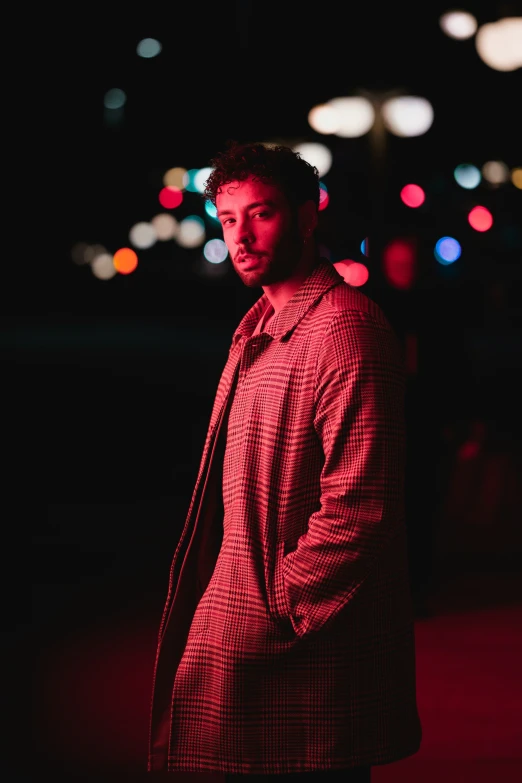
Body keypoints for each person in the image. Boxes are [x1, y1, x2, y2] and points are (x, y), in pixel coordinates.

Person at [147, 140, 422, 780]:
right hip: (262, 635)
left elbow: (361, 505)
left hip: (302, 650)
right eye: (228, 219)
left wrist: (278, 612)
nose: (240, 236)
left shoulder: (346, 328)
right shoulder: (258, 328)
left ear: (307, 216)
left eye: (261, 214)